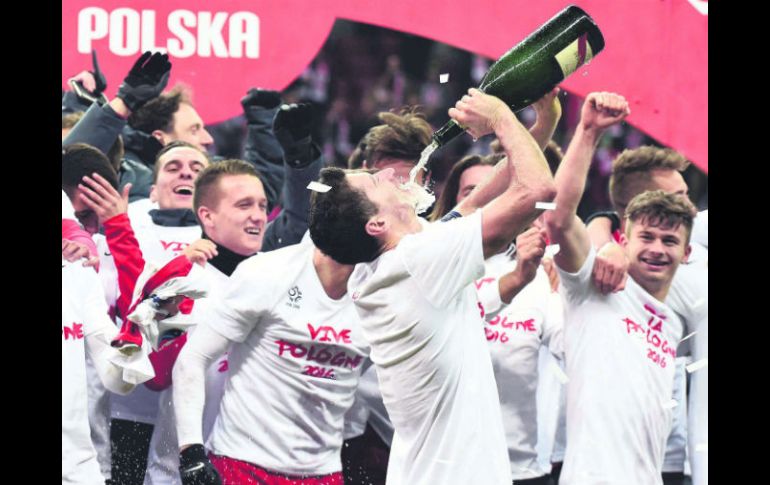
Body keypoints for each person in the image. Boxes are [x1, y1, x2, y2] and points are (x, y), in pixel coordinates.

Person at [309, 88, 556, 484]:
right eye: (375, 181)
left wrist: (543, 123)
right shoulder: (418, 260)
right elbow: (537, 191)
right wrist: (501, 120)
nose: (389, 174)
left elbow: (482, 199)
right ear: (376, 224)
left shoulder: (389, 263)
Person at [170, 171, 370, 485]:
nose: (258, 215)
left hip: (324, 473)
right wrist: (192, 453)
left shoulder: (384, 291)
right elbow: (192, 360)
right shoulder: (267, 272)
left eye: (263, 206)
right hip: (242, 465)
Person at [543, 91, 698, 484]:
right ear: (623, 238)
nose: (657, 250)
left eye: (669, 241)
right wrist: (588, 131)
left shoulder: (674, 322)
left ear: (688, 252)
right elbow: (559, 220)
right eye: (646, 237)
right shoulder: (596, 287)